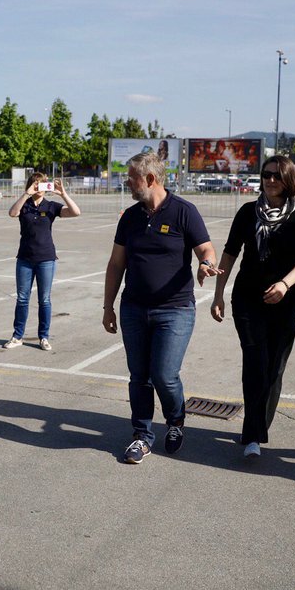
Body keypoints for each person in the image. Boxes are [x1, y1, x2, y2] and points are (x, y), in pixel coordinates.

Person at [103, 151, 223, 464]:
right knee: (139, 376)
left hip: (175, 310)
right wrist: (108, 306)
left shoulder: (184, 211)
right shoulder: (130, 217)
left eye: (131, 178)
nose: (127, 182)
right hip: (133, 309)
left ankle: (175, 421)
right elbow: (116, 264)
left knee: (164, 375)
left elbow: (206, 248)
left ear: (150, 179)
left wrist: (206, 264)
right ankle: (142, 436)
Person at [211, 155, 295, 457]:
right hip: (247, 299)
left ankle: (258, 425)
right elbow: (230, 253)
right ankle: (253, 435)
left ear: (288, 179)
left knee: (274, 367)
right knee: (255, 362)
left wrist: (285, 284)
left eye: (277, 176)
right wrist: (218, 295)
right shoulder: (248, 212)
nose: (270, 180)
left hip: (286, 300)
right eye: (266, 174)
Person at [4, 173, 81, 351]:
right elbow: (12, 213)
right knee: (22, 299)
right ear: (30, 185)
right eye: (36, 184)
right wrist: (27, 194)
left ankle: (44, 337)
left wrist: (63, 194)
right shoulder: (25, 205)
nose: (39, 188)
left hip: (46, 259)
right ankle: (17, 336)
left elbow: (76, 212)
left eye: (43, 184)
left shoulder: (51, 206)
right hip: (25, 259)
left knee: (44, 300)